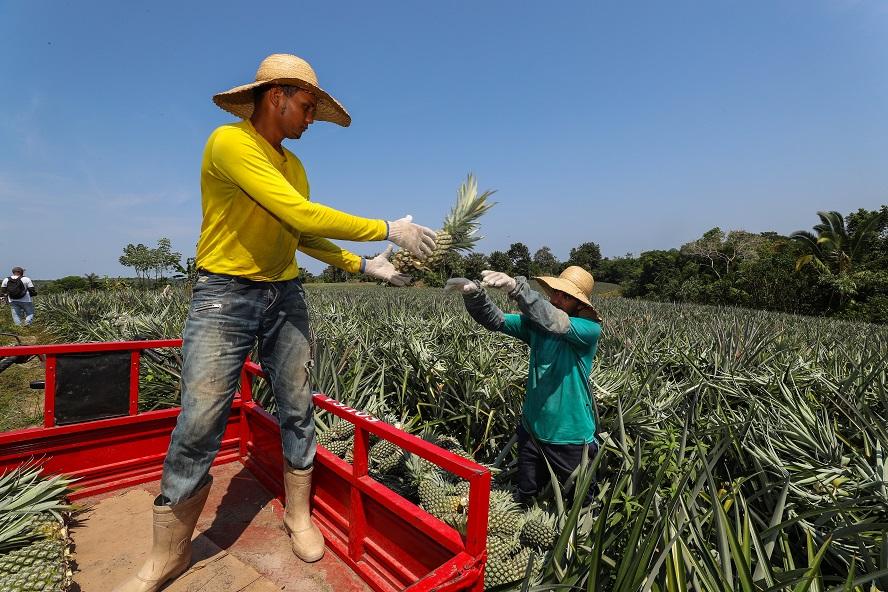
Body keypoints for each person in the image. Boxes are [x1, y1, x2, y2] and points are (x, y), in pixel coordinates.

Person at [114, 53, 436, 592]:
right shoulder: (230, 143)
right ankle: (165, 554)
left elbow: (300, 234)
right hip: (225, 294)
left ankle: (298, 515)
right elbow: (301, 214)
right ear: (276, 96)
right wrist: (385, 228)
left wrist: (363, 265)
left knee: (297, 403)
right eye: (307, 107)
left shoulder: (294, 167)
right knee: (200, 419)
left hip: (284, 294)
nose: (311, 119)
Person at [446, 267, 602, 506]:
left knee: (580, 504)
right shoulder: (536, 327)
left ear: (580, 305)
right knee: (525, 497)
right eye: (556, 292)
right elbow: (496, 319)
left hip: (571, 438)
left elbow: (556, 322)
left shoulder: (588, 330)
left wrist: (517, 289)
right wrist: (474, 295)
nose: (557, 298)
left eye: (566, 296)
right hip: (532, 432)